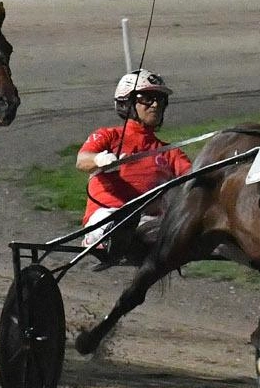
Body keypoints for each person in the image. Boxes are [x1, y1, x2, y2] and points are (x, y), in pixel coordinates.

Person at [76, 68, 192, 255]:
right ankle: (95, 239)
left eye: (160, 100)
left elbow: (193, 176)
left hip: (148, 221)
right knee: (118, 220)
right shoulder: (108, 136)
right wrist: (99, 159)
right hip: (108, 214)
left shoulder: (171, 152)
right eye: (147, 98)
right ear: (127, 103)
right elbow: (82, 161)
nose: (155, 105)